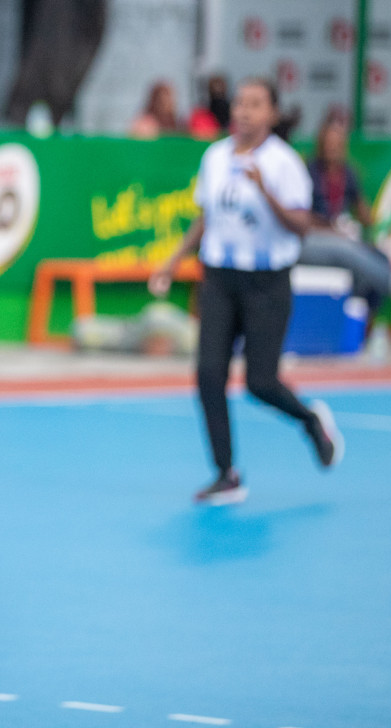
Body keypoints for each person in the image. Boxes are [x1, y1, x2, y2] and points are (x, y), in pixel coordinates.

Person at [150, 76, 345, 506]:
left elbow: (301, 224)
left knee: (260, 381)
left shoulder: (284, 163)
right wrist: (172, 261)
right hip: (219, 276)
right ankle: (226, 474)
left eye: (255, 104)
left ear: (272, 113)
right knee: (207, 376)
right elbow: (207, 218)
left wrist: (265, 191)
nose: (243, 111)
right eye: (239, 103)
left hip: (266, 282)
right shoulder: (215, 156)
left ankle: (311, 420)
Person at [299, 112, 391, 317]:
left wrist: (378, 221)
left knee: (376, 256)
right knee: (347, 251)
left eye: (337, 144)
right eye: (328, 143)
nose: (332, 148)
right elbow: (300, 216)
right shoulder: (309, 170)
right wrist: (332, 229)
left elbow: (362, 210)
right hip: (312, 237)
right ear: (321, 143)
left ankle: (362, 325)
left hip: (344, 234)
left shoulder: (348, 172)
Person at [187, 73, 229, 138]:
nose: (217, 95)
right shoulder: (200, 116)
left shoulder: (233, 117)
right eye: (213, 92)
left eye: (221, 93)